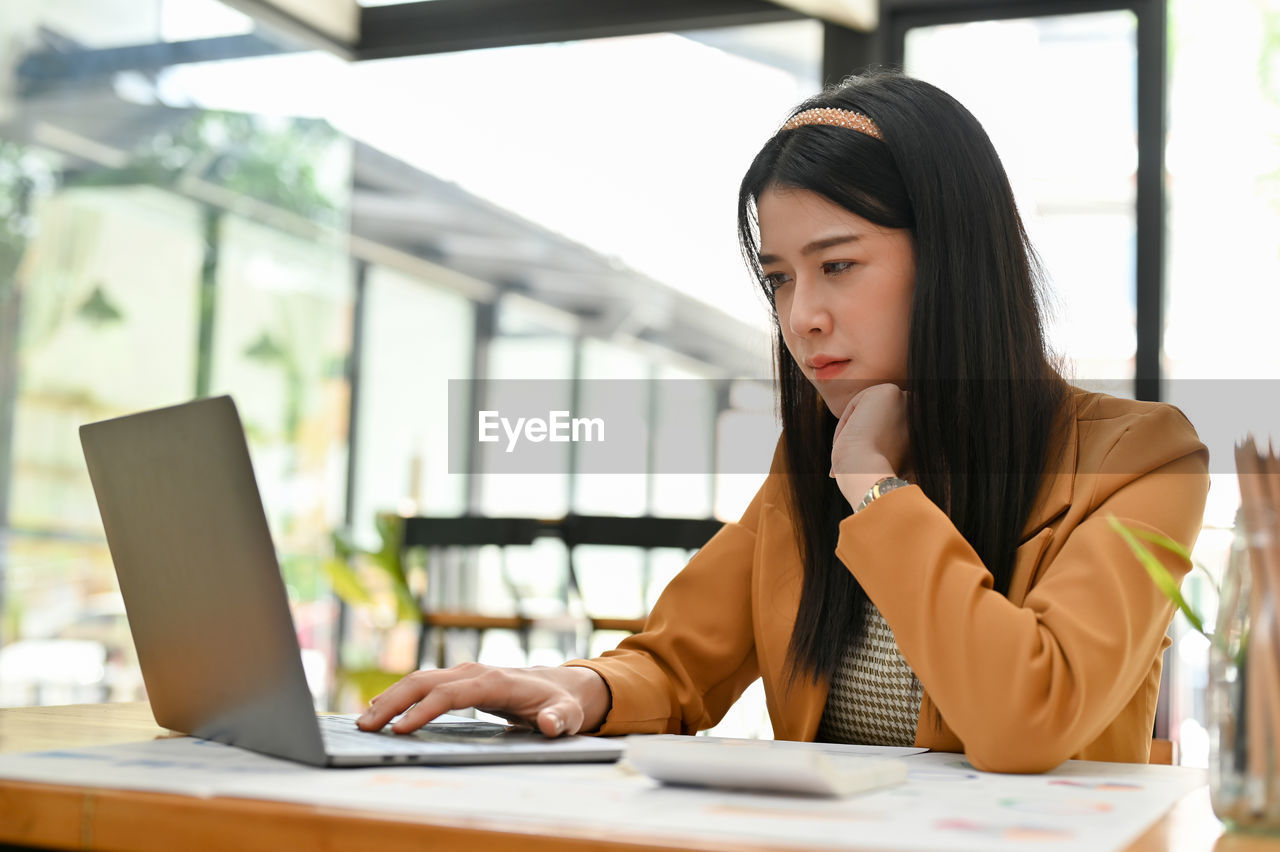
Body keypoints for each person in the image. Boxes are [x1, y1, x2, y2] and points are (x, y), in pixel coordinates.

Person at [357, 71, 1209, 773]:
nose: (801, 316)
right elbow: (676, 660)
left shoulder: (1141, 459)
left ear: (951, 259)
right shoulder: (813, 462)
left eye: (836, 265)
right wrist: (577, 687)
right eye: (780, 279)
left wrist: (876, 488)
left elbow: (1027, 718)